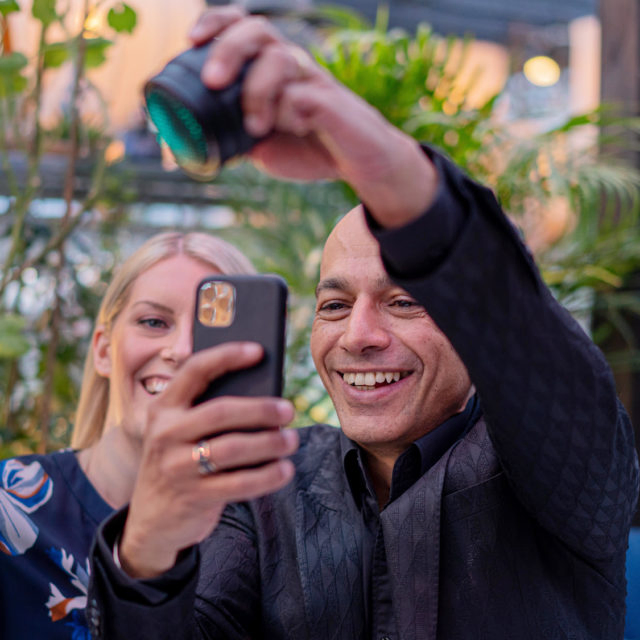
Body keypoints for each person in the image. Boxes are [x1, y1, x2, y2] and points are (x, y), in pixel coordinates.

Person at [87, 6, 640, 640]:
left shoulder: (557, 465)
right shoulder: (266, 485)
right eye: (334, 305)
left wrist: (382, 163)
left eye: (405, 302)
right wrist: (147, 553)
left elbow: (530, 344)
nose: (358, 335)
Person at [0, 230, 258, 639]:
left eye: (211, 328)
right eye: (154, 322)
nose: (183, 350)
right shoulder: (8, 509)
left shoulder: (267, 533)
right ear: (104, 350)